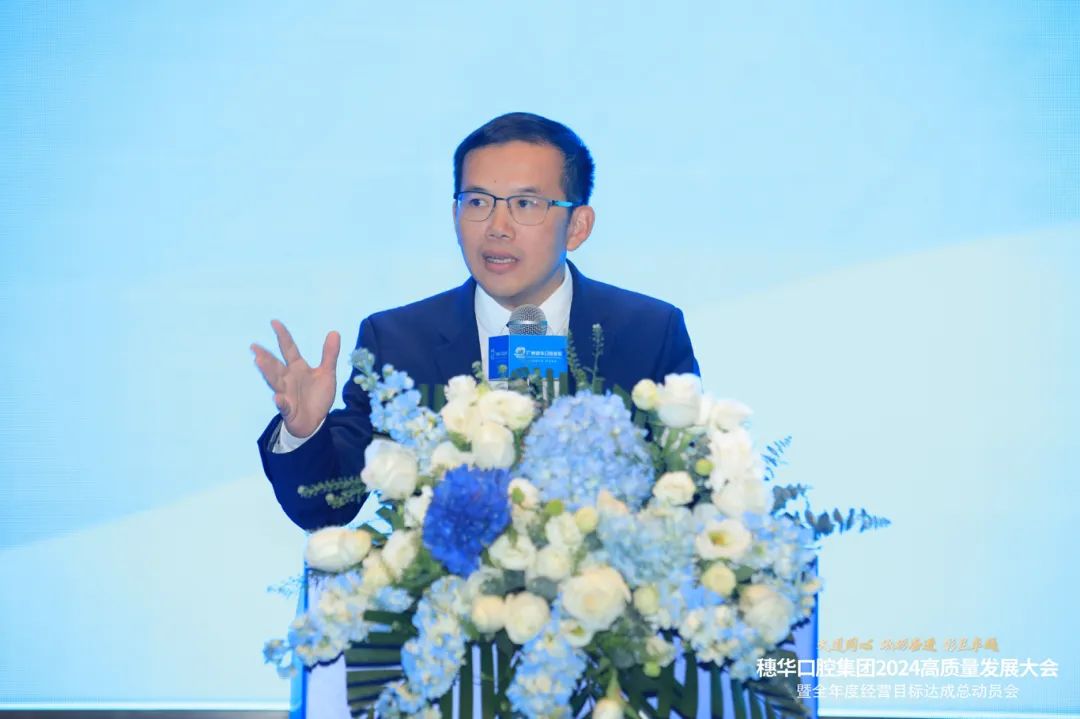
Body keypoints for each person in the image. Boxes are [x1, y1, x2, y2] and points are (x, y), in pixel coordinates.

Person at [252, 112, 699, 530]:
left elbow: (692, 490)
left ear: (577, 226)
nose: (497, 226)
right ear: (455, 215)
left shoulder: (649, 332)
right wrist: (305, 432)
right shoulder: (397, 341)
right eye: (478, 201)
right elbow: (325, 507)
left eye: (526, 204)